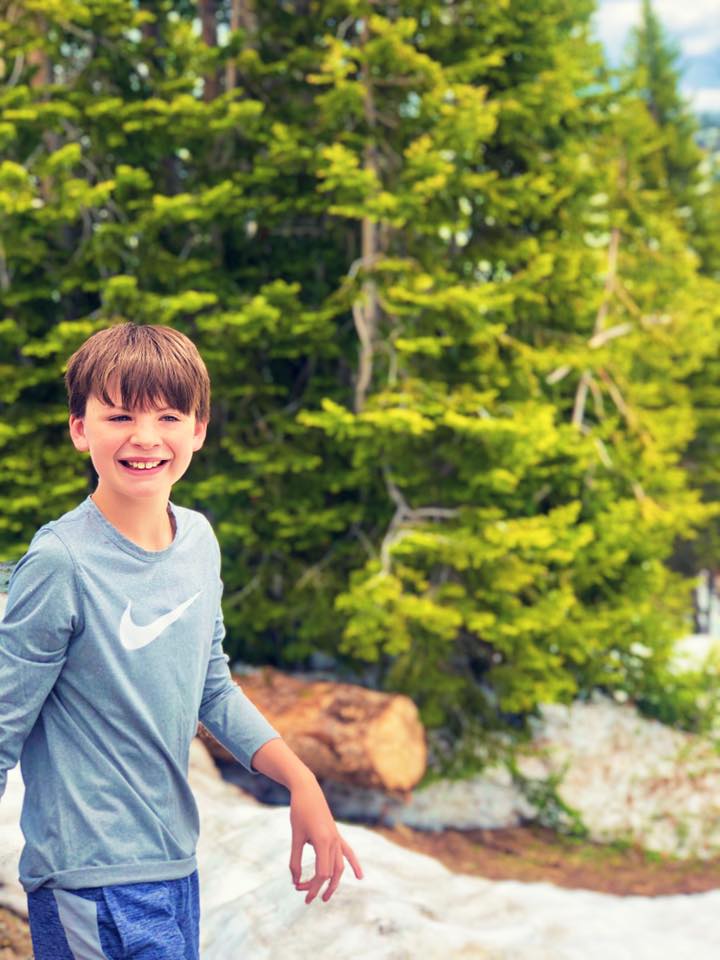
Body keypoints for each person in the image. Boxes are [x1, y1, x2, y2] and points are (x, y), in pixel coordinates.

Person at [0, 322, 363, 959]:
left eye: (168, 416)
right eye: (119, 415)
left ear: (198, 429)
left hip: (174, 867)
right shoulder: (60, 562)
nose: (145, 437)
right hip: (87, 879)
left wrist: (302, 781)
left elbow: (212, 687)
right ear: (80, 428)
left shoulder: (198, 541)